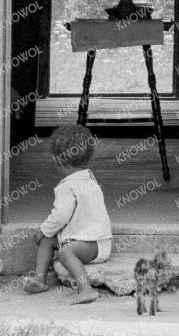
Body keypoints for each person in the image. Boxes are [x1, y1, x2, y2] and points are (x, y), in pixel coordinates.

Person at [23, 124, 112, 303]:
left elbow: (60, 216)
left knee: (63, 252)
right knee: (49, 240)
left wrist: (43, 230)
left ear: (57, 159)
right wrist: (48, 235)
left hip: (92, 246)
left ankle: (86, 289)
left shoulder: (67, 186)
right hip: (97, 243)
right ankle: (39, 280)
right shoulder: (89, 178)